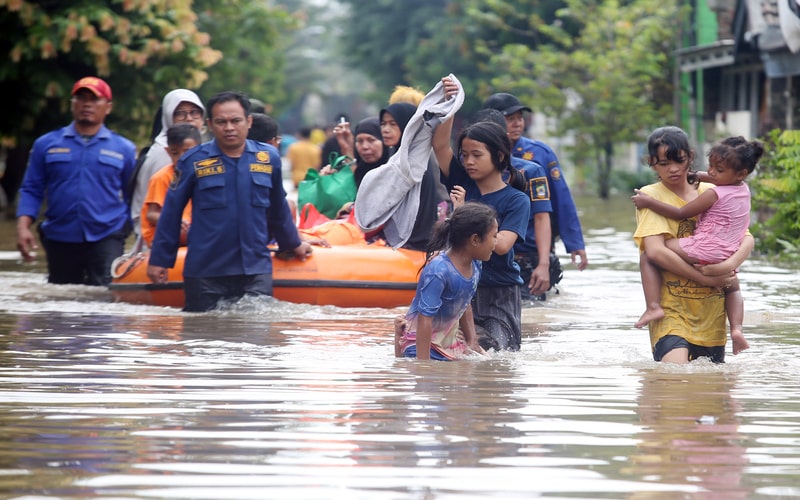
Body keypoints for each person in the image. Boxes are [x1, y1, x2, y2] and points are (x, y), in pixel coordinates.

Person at [146, 91, 312, 312]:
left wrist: (293, 244)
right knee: (203, 340)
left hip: (254, 268)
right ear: (209, 124)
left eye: (236, 121)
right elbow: (171, 212)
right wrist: (160, 259)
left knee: (257, 337)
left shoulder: (268, 158)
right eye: (221, 122)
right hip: (206, 271)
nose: (229, 128)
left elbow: (278, 209)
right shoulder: (193, 160)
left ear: (249, 121)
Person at [632, 126, 755, 363]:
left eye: (679, 160)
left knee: (707, 393)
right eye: (664, 163)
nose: (674, 169)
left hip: (712, 318)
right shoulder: (651, 197)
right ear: (652, 163)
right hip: (672, 314)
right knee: (676, 380)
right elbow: (655, 251)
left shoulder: (716, 189)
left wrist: (726, 266)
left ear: (690, 155)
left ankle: (736, 329)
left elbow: (746, 238)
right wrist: (707, 278)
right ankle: (654, 307)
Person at [433, 77, 531, 351]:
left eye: (476, 155)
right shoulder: (461, 181)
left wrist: (463, 212)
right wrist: (450, 103)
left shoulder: (517, 200)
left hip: (499, 292)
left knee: (493, 355)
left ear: (499, 156)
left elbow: (500, 246)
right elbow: (440, 146)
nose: (468, 162)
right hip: (460, 288)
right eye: (464, 155)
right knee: (455, 350)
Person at [16, 76, 137, 286]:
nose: (87, 104)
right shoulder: (46, 144)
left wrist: (126, 228)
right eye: (81, 98)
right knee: (62, 299)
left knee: (105, 297)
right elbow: (32, 189)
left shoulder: (124, 148)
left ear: (108, 107)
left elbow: (133, 195)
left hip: (107, 234)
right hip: (60, 235)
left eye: (94, 99)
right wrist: (23, 226)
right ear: (72, 104)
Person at [483, 92, 588, 280]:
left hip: (531, 246)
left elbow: (561, 200)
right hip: (490, 246)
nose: (517, 124)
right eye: (510, 119)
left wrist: (575, 243)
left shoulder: (539, 154)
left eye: (519, 118)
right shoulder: (477, 157)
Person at [469, 108, 554, 302]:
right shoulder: (468, 173)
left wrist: (543, 263)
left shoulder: (530, 171)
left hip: (521, 259)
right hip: (476, 266)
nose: (470, 161)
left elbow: (542, 217)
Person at [394, 202, 496, 360]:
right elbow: (425, 319)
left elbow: (464, 302)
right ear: (475, 240)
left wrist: (472, 341)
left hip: (449, 340)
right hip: (420, 344)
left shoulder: (476, 263)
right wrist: (423, 365)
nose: (495, 243)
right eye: (494, 236)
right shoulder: (439, 271)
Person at [130, 89, 206, 238]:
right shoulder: (163, 156)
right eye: (180, 113)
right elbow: (153, 212)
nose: (189, 118)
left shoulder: (203, 155)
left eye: (194, 112)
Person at [140, 124, 202, 247]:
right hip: (166, 235)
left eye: (187, 152)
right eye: (175, 153)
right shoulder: (162, 177)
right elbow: (151, 214)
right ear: (168, 152)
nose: (181, 158)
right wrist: (175, 220)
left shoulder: (204, 174)